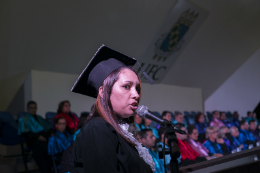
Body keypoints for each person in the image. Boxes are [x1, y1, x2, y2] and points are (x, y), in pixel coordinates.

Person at [72, 45, 155, 173]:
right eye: (127, 86)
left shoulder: (123, 129)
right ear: (103, 92)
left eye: (137, 88)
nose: (136, 95)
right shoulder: (97, 129)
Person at [18, 101, 53, 173]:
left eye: (35, 108)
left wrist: (52, 133)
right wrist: (38, 136)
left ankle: (51, 168)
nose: (33, 109)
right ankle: (45, 170)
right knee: (42, 147)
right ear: (27, 109)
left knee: (52, 144)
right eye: (31, 108)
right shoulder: (23, 119)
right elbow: (25, 132)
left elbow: (48, 128)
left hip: (44, 138)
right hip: (33, 139)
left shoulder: (39, 118)